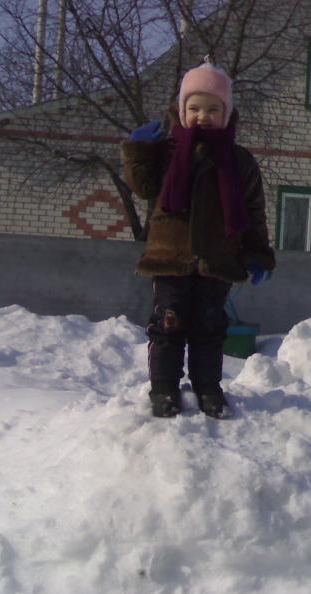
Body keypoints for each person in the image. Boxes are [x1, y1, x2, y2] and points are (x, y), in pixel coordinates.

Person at [121, 59, 275, 419]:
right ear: (181, 110)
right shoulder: (166, 153)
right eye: (193, 108)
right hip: (170, 257)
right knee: (168, 324)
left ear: (226, 112)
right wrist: (138, 151)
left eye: (211, 109)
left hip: (218, 259)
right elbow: (141, 187)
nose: (202, 116)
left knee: (209, 328)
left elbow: (254, 213)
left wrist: (258, 253)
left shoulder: (239, 161)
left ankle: (208, 389)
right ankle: (163, 389)